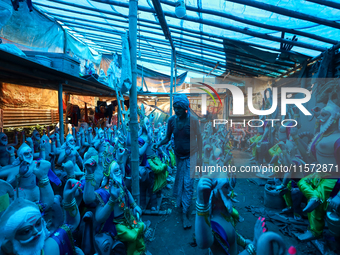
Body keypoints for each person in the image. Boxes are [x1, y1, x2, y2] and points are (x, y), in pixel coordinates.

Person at [155, 94, 202, 229]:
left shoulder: (193, 121)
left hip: (191, 155)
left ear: (185, 108)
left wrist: (200, 158)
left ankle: (184, 214)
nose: (176, 111)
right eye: (175, 108)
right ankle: (182, 203)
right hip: (178, 156)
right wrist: (158, 144)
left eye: (179, 108)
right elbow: (167, 138)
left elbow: (199, 139)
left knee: (188, 183)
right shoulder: (171, 121)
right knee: (180, 181)